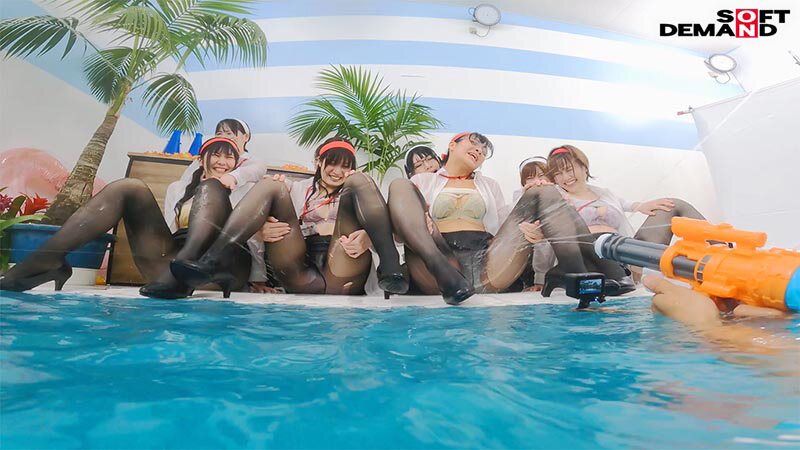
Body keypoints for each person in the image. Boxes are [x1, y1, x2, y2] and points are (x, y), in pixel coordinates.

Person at [0, 138, 267, 298]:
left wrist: (259, 279)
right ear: (201, 160)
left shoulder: (246, 188)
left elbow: (253, 237)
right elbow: (169, 229)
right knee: (129, 187)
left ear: (237, 164)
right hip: (175, 264)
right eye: (216, 154)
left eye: (229, 157)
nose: (222, 161)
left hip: (222, 264)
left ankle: (186, 268)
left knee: (212, 187)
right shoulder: (179, 190)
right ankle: (49, 258)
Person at [387, 132, 630, 305]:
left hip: (486, 262)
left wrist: (534, 231)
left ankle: (575, 274)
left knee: (543, 191)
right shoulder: (421, 181)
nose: (479, 150)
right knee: (399, 184)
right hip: (437, 265)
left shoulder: (489, 185)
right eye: (474, 143)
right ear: (452, 145)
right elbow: (399, 235)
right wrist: (423, 224)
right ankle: (445, 273)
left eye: (483, 151)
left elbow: (504, 227)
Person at [169, 138, 408, 296]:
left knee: (359, 181)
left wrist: (368, 237)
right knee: (272, 185)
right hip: (301, 270)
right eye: (332, 164)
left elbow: (393, 231)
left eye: (345, 166)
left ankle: (390, 267)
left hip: (344, 266)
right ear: (318, 162)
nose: (338, 172)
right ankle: (213, 259)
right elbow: (265, 213)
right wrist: (260, 231)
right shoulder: (297, 188)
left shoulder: (359, 191)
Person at [536, 145, 708, 295]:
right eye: (558, 174)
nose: (565, 177)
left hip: (623, 254)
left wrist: (641, 206)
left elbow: (626, 204)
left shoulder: (604, 194)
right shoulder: (557, 198)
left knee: (672, 205)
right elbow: (544, 238)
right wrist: (540, 277)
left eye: (569, 169)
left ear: (583, 167)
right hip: (590, 259)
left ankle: (718, 248)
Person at [180, 118, 265, 191]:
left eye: (229, 133)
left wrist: (233, 177)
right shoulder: (205, 158)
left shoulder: (252, 161)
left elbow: (254, 171)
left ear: (246, 137)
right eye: (219, 134)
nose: (223, 137)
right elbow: (184, 182)